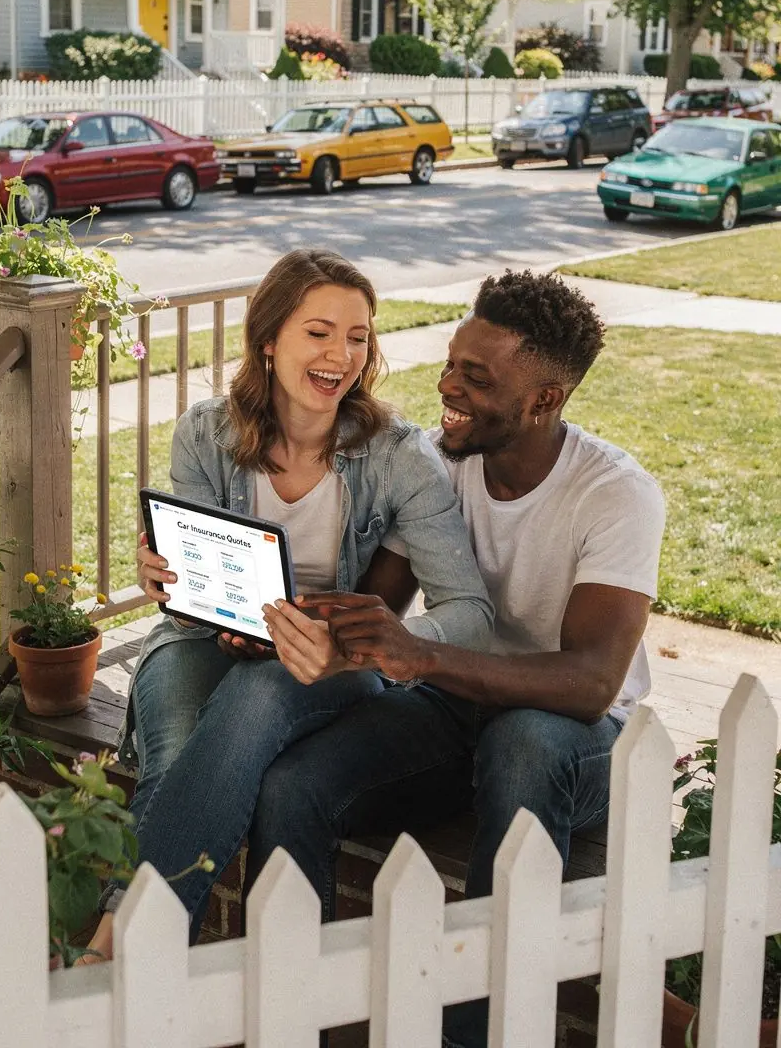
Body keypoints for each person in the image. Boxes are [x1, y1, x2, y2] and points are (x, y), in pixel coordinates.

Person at [248, 268, 666, 1048]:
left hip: (574, 740)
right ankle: (296, 1021)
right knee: (295, 784)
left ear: (544, 401)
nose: (447, 385)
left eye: (475, 376)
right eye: (450, 361)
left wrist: (420, 658)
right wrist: (251, 600)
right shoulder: (437, 465)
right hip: (450, 715)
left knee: (524, 743)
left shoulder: (614, 494)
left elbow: (590, 680)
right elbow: (375, 610)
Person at [84, 248, 493, 959]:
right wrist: (168, 586)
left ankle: (116, 950)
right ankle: (152, 976)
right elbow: (188, 602)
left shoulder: (398, 455)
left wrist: (362, 644)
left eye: (359, 336)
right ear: (269, 339)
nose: (343, 354)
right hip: (199, 643)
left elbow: (470, 614)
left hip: (330, 660)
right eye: (320, 332)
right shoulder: (205, 433)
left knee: (261, 694)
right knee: (183, 758)